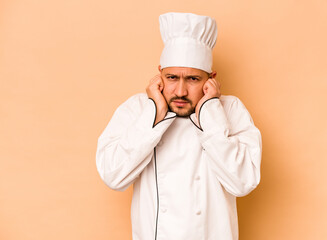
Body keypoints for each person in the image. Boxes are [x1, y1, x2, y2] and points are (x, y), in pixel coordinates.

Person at [96, 12, 262, 240]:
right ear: (160, 76)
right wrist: (154, 115)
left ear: (210, 79)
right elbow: (113, 176)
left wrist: (210, 112)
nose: (181, 91)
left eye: (193, 79)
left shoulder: (230, 110)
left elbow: (243, 182)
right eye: (172, 78)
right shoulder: (137, 110)